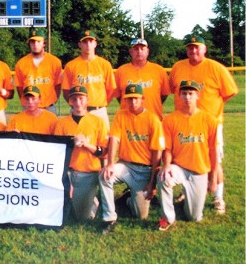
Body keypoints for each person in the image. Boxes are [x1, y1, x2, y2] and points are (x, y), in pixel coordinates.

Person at [169, 34, 238, 214]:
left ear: (204, 49)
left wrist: (212, 108)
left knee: (214, 159)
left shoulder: (215, 68)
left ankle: (218, 198)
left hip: (210, 123)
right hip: (184, 122)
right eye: (190, 47)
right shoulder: (178, 67)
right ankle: (186, 192)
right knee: (184, 158)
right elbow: (172, 88)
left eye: (197, 47)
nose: (193, 50)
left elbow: (230, 92)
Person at [99, 84, 165, 234]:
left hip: (145, 170)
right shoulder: (121, 115)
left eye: (136, 98)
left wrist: (152, 183)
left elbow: (157, 153)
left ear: (143, 99)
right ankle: (110, 217)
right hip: (126, 166)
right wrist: (110, 164)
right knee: (105, 175)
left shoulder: (153, 119)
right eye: (129, 99)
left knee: (140, 215)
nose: (133, 102)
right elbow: (114, 139)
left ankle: (128, 198)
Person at [157, 80, 218, 231]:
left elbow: (213, 152)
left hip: (199, 171)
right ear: (179, 96)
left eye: (191, 93)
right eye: (184, 93)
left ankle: (185, 202)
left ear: (198, 95)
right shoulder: (170, 119)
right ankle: (168, 217)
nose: (187, 97)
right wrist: (166, 166)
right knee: (164, 177)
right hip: (179, 168)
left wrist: (213, 179)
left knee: (193, 217)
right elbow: (168, 149)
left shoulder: (209, 120)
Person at [53, 86, 109, 221]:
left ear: (87, 100)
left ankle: (93, 201)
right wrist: (71, 143)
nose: (78, 102)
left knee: (81, 217)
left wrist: (86, 145)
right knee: (60, 211)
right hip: (67, 172)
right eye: (74, 99)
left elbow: (105, 153)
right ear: (70, 101)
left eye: (81, 98)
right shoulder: (62, 123)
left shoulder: (98, 122)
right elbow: (57, 152)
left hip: (87, 172)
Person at [62, 30, 116, 128]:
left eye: (91, 41)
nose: (88, 45)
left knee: (102, 142)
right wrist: (75, 105)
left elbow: (111, 89)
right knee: (76, 141)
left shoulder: (105, 64)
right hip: (78, 111)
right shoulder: (71, 65)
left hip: (99, 111)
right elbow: (66, 91)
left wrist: (101, 104)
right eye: (85, 42)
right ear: (79, 44)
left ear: (95, 43)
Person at [114, 38, 170, 119]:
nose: (139, 51)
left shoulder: (159, 70)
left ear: (147, 51)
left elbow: (164, 95)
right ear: (131, 52)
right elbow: (119, 96)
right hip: (128, 120)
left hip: (153, 119)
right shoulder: (121, 71)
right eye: (136, 49)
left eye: (142, 49)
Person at [14, 28, 62, 114]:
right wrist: (27, 102)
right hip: (29, 107)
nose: (35, 44)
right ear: (29, 44)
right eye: (32, 42)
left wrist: (52, 101)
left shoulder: (55, 62)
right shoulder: (21, 63)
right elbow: (20, 88)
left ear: (44, 43)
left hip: (48, 107)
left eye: (38, 41)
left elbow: (58, 85)